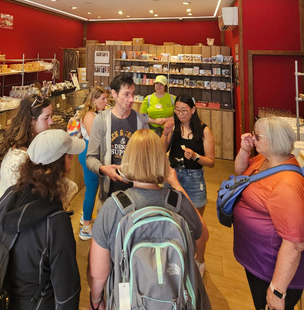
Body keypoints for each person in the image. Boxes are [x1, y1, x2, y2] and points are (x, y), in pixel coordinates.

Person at [88, 129, 210, 310]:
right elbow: (203, 235)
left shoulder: (113, 207)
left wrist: (96, 300)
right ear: (162, 161)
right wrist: (176, 185)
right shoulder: (178, 203)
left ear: (128, 160)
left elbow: (99, 273)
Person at [0, 129, 85, 310]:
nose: (71, 163)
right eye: (69, 157)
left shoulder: (7, 198)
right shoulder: (56, 221)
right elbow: (67, 292)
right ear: (58, 166)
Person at [233, 117, 304, 310]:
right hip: (258, 262)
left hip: (271, 269)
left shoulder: (287, 185)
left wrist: (277, 291)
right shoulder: (265, 160)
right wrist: (244, 150)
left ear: (274, 141)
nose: (252, 138)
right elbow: (241, 172)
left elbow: (294, 245)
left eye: (257, 136)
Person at [86, 75, 149, 205]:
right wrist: (103, 168)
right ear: (114, 94)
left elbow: (147, 156)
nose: (131, 99)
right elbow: (90, 158)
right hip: (108, 193)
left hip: (137, 193)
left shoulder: (140, 121)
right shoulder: (101, 120)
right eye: (126, 94)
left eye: (132, 94)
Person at [161, 94, 215, 216]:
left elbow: (211, 162)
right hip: (172, 176)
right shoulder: (174, 127)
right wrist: (165, 133)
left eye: (184, 110)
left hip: (194, 179)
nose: (181, 114)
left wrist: (196, 156)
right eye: (177, 110)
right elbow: (161, 150)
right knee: (171, 217)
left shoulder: (204, 130)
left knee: (195, 219)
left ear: (193, 109)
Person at [0, 94, 53, 199]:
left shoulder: (31, 146)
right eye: (46, 118)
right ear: (32, 121)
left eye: (51, 117)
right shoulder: (19, 159)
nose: (51, 122)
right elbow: (17, 201)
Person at [77, 86, 109, 240]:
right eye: (102, 98)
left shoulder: (95, 113)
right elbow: (94, 137)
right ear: (94, 100)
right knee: (91, 190)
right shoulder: (90, 115)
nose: (106, 101)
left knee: (92, 189)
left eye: (106, 98)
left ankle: (85, 216)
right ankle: (85, 228)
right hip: (89, 154)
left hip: (92, 154)